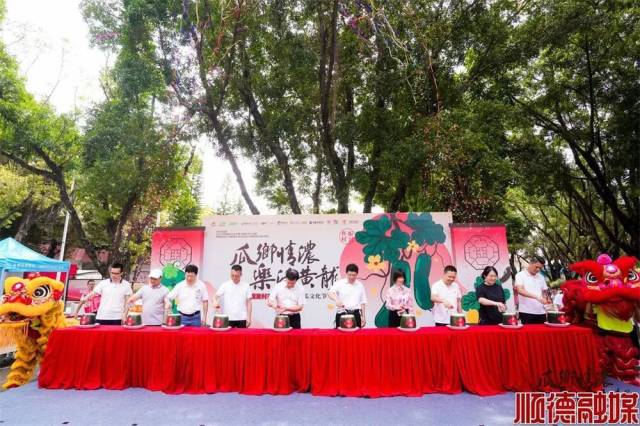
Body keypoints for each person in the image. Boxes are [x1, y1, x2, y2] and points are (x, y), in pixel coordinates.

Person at [328, 263, 367, 328]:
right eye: (349, 274)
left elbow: (363, 302)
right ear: (346, 273)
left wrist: (363, 317)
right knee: (340, 334)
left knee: (357, 334)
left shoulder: (360, 285)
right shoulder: (340, 283)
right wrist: (336, 300)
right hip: (342, 313)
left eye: (354, 275)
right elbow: (330, 293)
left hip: (356, 314)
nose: (351, 277)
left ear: (357, 274)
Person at [515, 256, 549, 324]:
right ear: (530, 263)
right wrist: (536, 297)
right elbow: (520, 290)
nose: (538, 270)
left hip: (541, 311)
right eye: (536, 267)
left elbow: (545, 291)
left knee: (542, 330)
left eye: (540, 268)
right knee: (528, 330)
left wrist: (545, 298)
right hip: (526, 311)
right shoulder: (520, 275)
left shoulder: (541, 277)